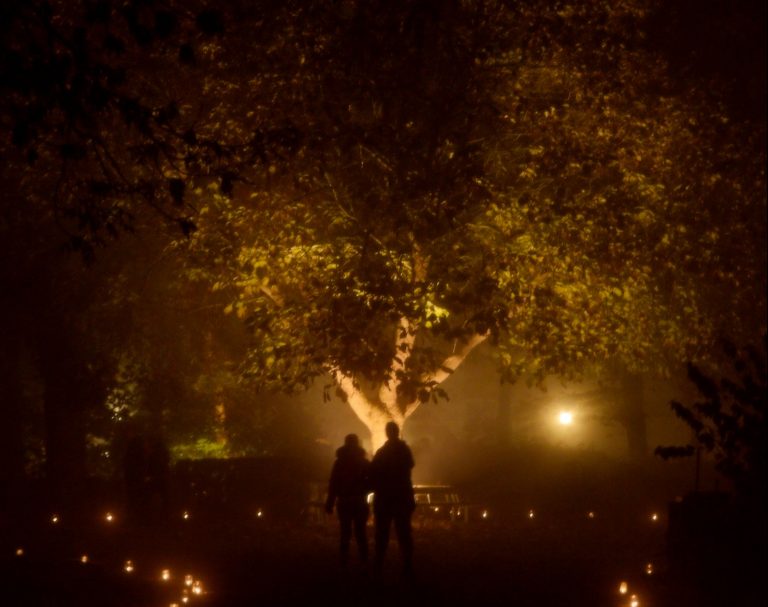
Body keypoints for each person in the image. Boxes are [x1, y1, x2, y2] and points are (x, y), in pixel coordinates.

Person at [370, 421, 416, 575]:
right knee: (404, 532)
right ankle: (407, 564)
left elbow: (373, 472)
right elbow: (410, 465)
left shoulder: (382, 452)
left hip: (385, 498)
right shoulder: (404, 450)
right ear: (397, 432)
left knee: (382, 532)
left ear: (387, 433)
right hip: (402, 496)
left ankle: (379, 563)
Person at [325, 433, 370, 566]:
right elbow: (372, 480)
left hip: (344, 501)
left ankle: (344, 561)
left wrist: (330, 502)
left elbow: (334, 483)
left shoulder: (339, 462)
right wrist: (365, 490)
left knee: (345, 532)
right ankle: (364, 561)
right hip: (359, 501)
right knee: (361, 532)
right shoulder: (363, 462)